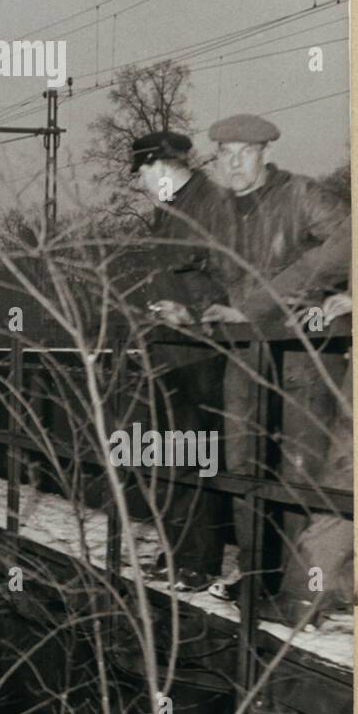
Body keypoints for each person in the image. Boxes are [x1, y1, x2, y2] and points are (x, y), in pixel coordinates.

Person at [201, 113, 352, 625]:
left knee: (299, 474)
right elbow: (218, 278)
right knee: (243, 469)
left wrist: (342, 297)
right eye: (225, 154)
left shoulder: (302, 195)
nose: (235, 162)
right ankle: (257, 582)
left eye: (245, 151)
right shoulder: (221, 212)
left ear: (264, 152)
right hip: (245, 356)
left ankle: (302, 594)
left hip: (301, 357)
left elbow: (351, 239)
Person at [131, 130, 232, 590]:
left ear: (160, 166)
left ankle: (201, 559)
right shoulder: (171, 208)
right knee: (177, 454)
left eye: (143, 173)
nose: (142, 183)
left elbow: (229, 272)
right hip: (171, 350)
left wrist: (190, 313)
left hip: (201, 349)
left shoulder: (209, 203)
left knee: (199, 454)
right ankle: (178, 551)